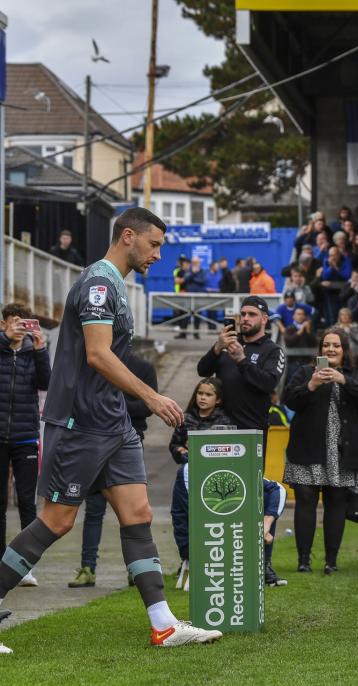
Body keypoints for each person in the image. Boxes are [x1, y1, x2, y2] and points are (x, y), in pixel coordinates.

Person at [0, 207, 220, 656]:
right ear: (127, 237)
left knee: (137, 514)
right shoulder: (98, 283)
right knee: (58, 522)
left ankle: (163, 625)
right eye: (153, 244)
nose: (158, 254)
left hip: (113, 423)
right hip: (80, 423)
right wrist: (153, 397)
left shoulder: (116, 284)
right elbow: (99, 355)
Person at [167, 377, 288, 589]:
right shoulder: (184, 419)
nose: (202, 398)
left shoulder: (227, 422)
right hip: (191, 474)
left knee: (272, 492)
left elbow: (226, 450)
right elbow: (176, 446)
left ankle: (263, 561)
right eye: (200, 393)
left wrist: (197, 451)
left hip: (222, 477)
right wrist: (183, 452)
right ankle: (190, 557)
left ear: (219, 400)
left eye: (208, 394)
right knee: (184, 513)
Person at [282, 329, 358, 574]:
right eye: (326, 345)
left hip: (342, 453)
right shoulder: (304, 372)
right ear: (320, 349)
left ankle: (331, 561)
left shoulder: (354, 375)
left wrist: (344, 380)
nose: (331, 350)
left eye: (336, 346)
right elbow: (289, 399)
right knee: (305, 501)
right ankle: (304, 560)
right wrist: (311, 384)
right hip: (307, 451)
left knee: (336, 504)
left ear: (345, 350)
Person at [69, 353, 157, 589]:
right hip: (96, 444)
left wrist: (112, 404)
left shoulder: (142, 366)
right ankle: (87, 568)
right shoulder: (94, 363)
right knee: (94, 510)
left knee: (131, 514)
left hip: (129, 444)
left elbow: (148, 406)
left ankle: (136, 569)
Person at [0, 304, 50, 589]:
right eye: (14, 323)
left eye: (23, 323)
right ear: (4, 323)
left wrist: (41, 349)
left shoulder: (34, 353)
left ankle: (26, 566)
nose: (19, 329)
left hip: (25, 436)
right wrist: (5, 339)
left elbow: (47, 383)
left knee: (27, 502)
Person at [197, 296, 285, 451]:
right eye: (243, 314)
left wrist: (242, 360)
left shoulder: (273, 350)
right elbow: (202, 371)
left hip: (252, 430)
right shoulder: (228, 343)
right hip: (221, 427)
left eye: (252, 314)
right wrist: (217, 348)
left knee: (250, 476)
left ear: (264, 319)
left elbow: (268, 383)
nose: (245, 318)